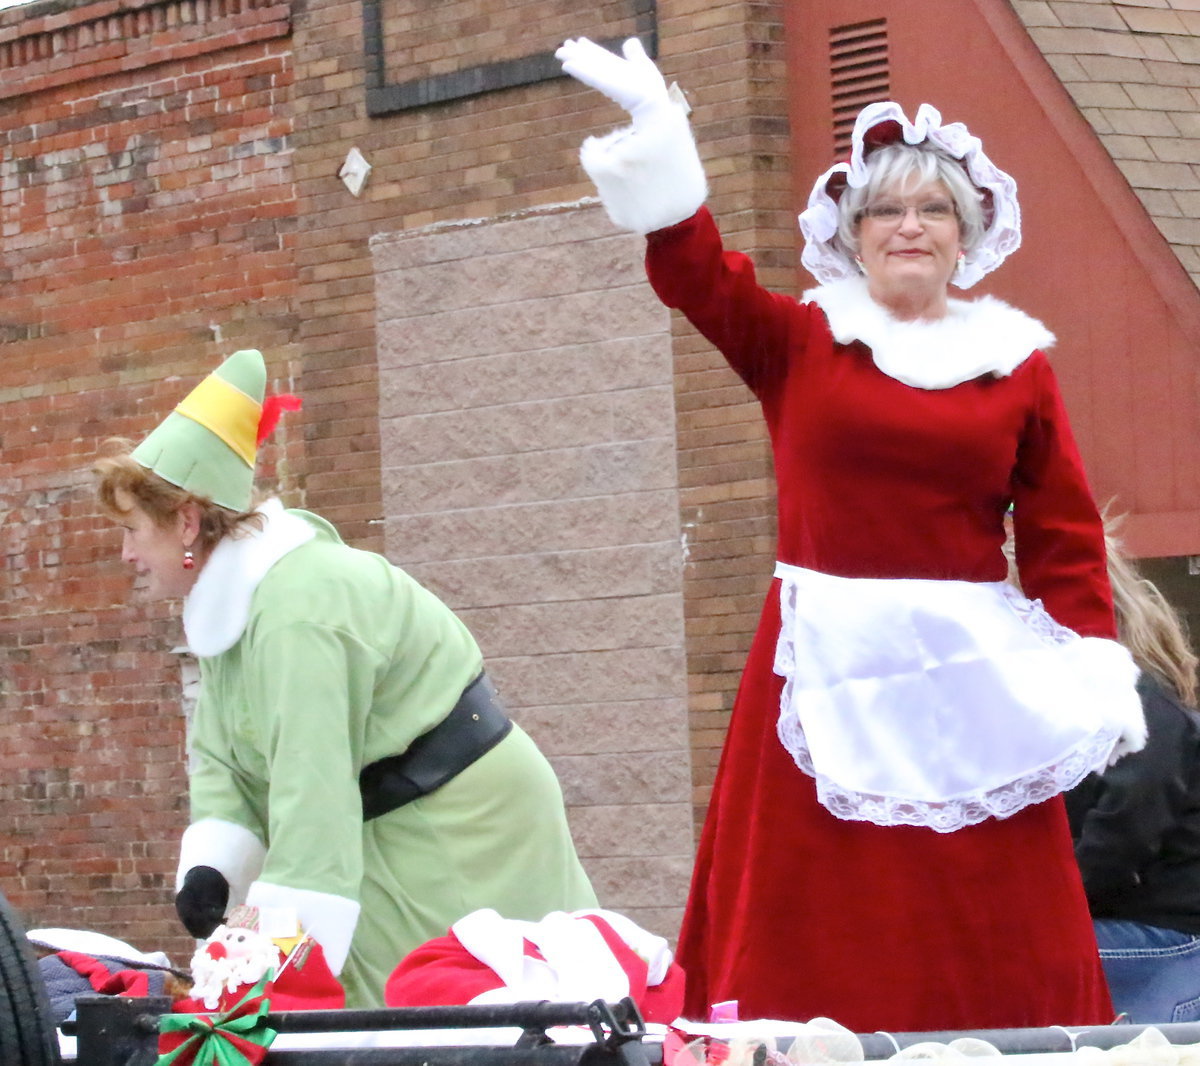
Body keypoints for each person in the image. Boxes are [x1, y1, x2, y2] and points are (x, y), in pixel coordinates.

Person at [555, 37, 1147, 1031]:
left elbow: (1063, 536)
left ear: (968, 233)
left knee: (987, 922)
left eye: (932, 209)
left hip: (970, 675)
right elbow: (696, 272)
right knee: (817, 924)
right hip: (818, 667)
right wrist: (661, 135)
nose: (908, 226)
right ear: (851, 230)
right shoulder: (797, 341)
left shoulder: (1017, 367)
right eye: (885, 208)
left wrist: (1085, 664)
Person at [93, 348, 597, 1008]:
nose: (126, 552)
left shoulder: (299, 612)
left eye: (133, 530)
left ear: (186, 521)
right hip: (375, 822)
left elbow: (312, 788)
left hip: (460, 825)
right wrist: (214, 869)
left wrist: (270, 966)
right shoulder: (228, 608)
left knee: (458, 1020)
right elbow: (220, 756)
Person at [1065, 534, 1200, 1024]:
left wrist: (1038, 908)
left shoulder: (1144, 710)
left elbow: (1121, 838)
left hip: (1168, 935)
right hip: (1131, 926)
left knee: (1002, 955)